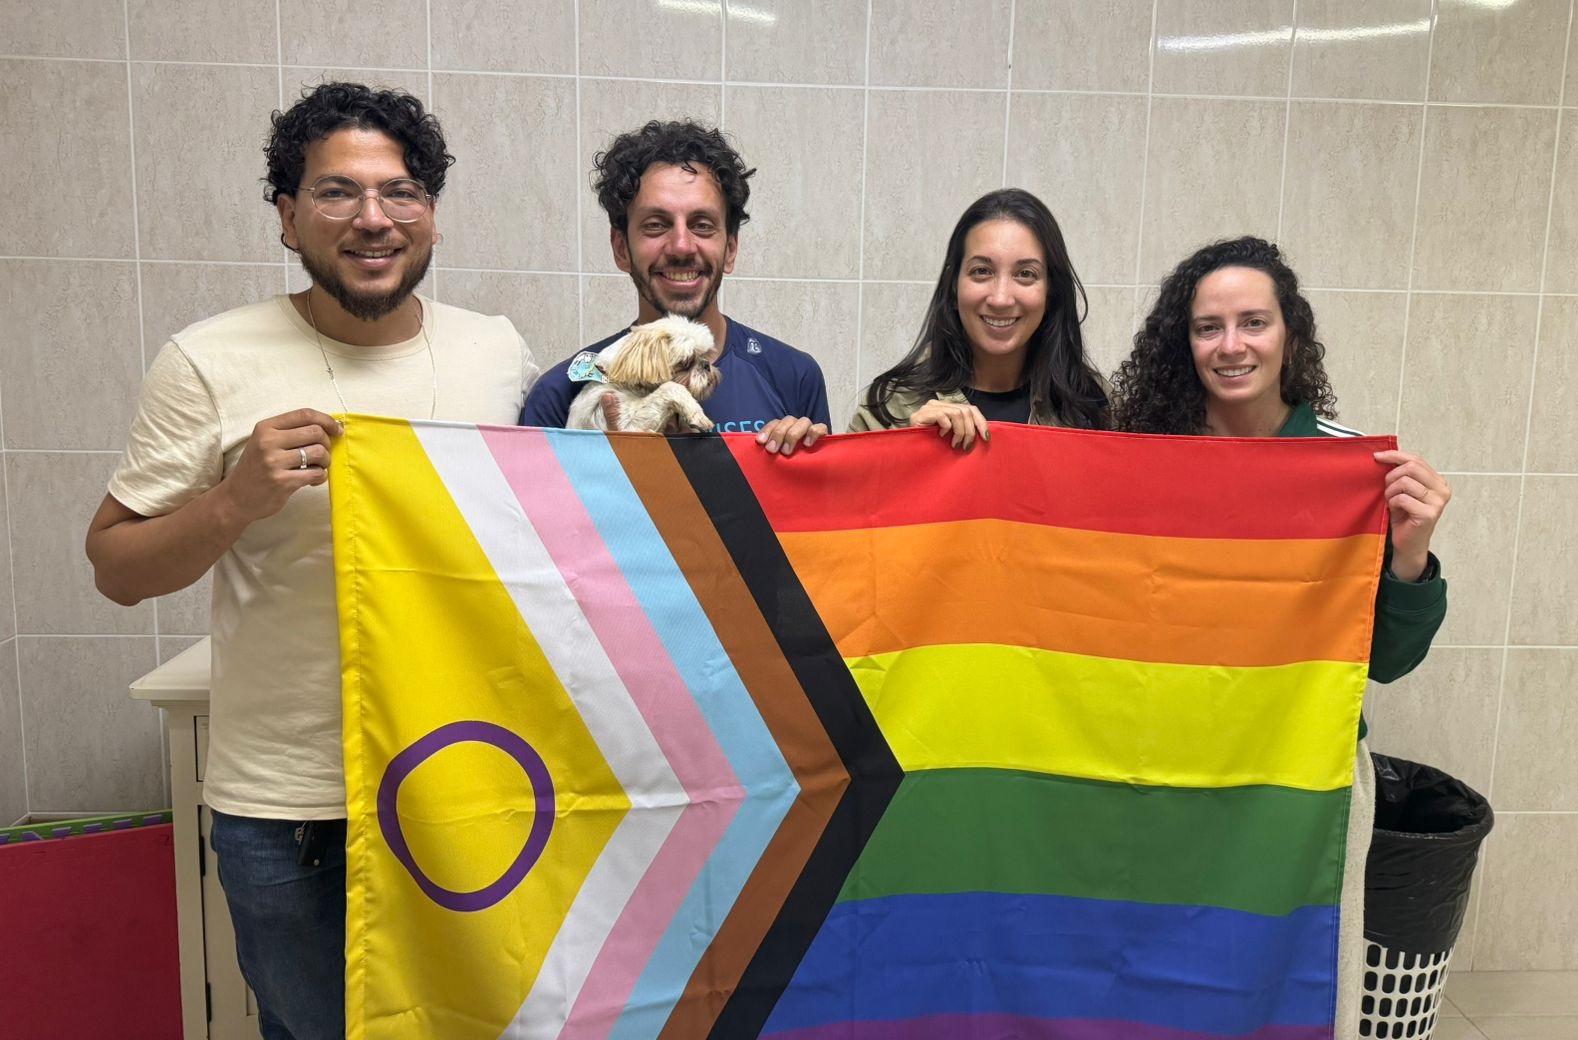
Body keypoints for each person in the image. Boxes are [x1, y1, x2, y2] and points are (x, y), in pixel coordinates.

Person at [85, 82, 538, 1040]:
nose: (374, 219)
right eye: (338, 193)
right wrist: (235, 499)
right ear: (288, 218)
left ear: (431, 216)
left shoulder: (497, 355)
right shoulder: (208, 360)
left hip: (467, 784)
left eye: (400, 192)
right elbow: (116, 569)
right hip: (290, 808)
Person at [1112, 235, 1450, 1040]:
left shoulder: (1349, 469)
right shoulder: (1141, 463)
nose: (1231, 345)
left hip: (1304, 780)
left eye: (1253, 322)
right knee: (1155, 973)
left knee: (1295, 974)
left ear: (1290, 334)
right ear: (1184, 342)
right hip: (1166, 770)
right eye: (1208, 327)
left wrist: (1410, 557)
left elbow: (1388, 661)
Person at [519, 119, 830, 455]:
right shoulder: (558, 396)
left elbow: (824, 492)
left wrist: (800, 467)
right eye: (656, 225)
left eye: (702, 225)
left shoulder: (794, 378)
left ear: (730, 249)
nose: (681, 246)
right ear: (621, 249)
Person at [849, 188, 1109, 443]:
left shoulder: (1094, 406)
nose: (1000, 299)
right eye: (982, 271)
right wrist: (907, 447)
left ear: (1052, 291)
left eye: (1025, 274)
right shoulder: (891, 408)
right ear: (953, 285)